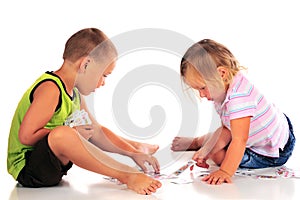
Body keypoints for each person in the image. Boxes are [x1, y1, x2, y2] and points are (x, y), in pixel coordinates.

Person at [7, 28, 161, 195]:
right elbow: (26, 136)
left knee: (80, 130)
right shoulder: (51, 89)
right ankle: (126, 175)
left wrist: (133, 152)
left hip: (53, 168)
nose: (103, 83)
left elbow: (96, 132)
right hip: (29, 169)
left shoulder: (75, 94)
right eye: (104, 75)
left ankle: (130, 164)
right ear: (85, 64)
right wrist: (72, 132)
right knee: (64, 134)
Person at [171, 39, 295, 185]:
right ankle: (198, 142)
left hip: (273, 151)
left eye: (203, 88)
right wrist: (207, 150)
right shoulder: (225, 86)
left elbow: (239, 140)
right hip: (274, 127)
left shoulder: (239, 99)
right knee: (216, 145)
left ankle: (200, 142)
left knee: (218, 156)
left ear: (222, 73)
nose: (201, 95)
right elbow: (227, 128)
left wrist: (225, 171)